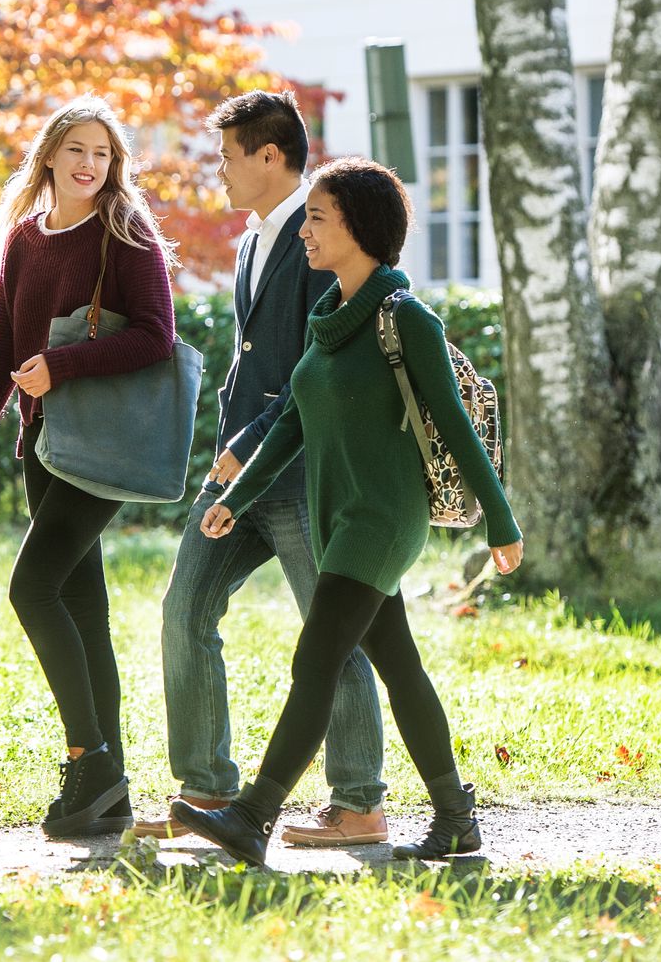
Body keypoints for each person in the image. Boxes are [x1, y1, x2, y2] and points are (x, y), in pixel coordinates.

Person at [172, 156, 525, 868]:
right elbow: (293, 424)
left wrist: (501, 523)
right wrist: (234, 502)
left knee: (318, 659)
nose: (304, 229)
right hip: (340, 519)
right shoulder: (328, 316)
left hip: (381, 523)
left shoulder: (406, 319)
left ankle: (252, 815)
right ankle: (456, 819)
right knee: (398, 665)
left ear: (359, 227)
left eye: (317, 217)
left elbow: (457, 427)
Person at [132, 90, 389, 847]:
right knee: (185, 610)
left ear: (269, 157)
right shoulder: (250, 242)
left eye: (227, 156)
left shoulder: (324, 233)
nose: (220, 170)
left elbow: (320, 362)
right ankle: (207, 791)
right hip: (237, 476)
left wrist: (255, 437)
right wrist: (228, 445)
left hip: (304, 476)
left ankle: (358, 804)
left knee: (329, 637)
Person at [0, 94, 179, 839]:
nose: (90, 164)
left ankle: (89, 759)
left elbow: (157, 338)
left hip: (100, 449)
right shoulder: (26, 243)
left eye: (103, 154)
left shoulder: (125, 234)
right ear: (48, 156)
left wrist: (63, 365)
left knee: (32, 589)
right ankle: (109, 794)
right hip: (45, 446)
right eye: (78, 150)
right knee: (85, 614)